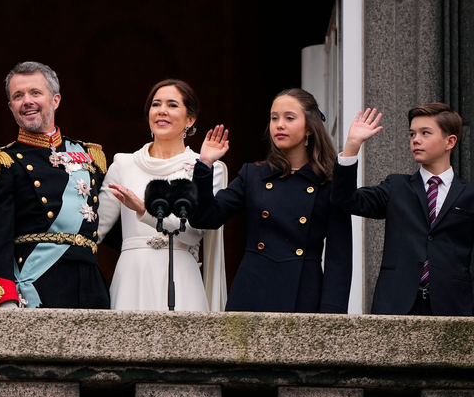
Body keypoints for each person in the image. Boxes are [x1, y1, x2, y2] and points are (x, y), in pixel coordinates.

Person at [190, 88, 352, 313]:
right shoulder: (253, 175)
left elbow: (339, 258)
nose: (279, 125)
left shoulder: (328, 183)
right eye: (274, 118)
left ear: (309, 128)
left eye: (289, 118)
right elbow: (204, 218)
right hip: (251, 291)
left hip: (304, 294)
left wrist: (332, 314)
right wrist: (205, 165)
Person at [0, 61, 110, 309]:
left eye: (35, 93)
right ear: (10, 106)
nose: (27, 101)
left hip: (91, 288)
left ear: (55, 100)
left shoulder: (89, 156)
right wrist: (5, 300)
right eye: (18, 96)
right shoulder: (4, 163)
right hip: (38, 288)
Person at [96, 79, 227, 311]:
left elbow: (194, 233)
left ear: (190, 119)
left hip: (182, 274)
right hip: (132, 276)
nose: (162, 110)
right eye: (156, 104)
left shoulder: (207, 168)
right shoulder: (123, 164)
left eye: (173, 105)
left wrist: (144, 211)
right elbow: (94, 230)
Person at [332, 104, 474, 316]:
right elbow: (346, 200)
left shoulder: (469, 194)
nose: (415, 139)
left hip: (454, 306)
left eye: (425, 133)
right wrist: (352, 145)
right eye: (412, 134)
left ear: (450, 141)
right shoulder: (396, 187)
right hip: (396, 304)